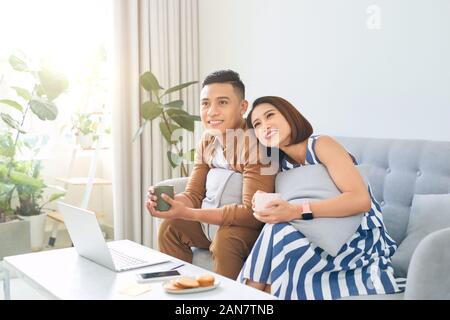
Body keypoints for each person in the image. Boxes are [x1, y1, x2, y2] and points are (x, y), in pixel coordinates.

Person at [238, 96, 405, 299]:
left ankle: (244, 295)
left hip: (356, 237)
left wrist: (294, 212)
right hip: (314, 233)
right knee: (277, 232)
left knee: (279, 231)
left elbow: (361, 200)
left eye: (270, 115)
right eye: (257, 124)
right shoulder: (278, 163)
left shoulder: (321, 145)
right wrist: (261, 200)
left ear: (289, 115)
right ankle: (250, 294)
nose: (265, 125)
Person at [146, 70, 276, 279]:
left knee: (225, 240)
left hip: (244, 229)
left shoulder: (255, 145)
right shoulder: (207, 140)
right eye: (205, 103)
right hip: (209, 224)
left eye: (222, 103)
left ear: (242, 107)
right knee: (169, 227)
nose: (211, 112)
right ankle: (179, 289)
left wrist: (190, 213)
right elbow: (193, 195)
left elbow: (252, 214)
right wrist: (169, 201)